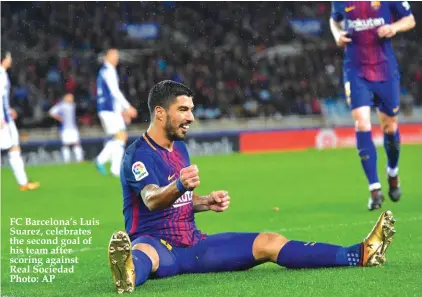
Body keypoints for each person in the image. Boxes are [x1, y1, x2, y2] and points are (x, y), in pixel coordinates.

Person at [107, 80, 396, 294]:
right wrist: (180, 183)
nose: (191, 117)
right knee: (144, 252)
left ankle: (360, 253)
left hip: (194, 244)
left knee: (269, 241)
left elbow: (179, 201)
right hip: (158, 244)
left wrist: (204, 201)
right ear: (160, 113)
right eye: (183, 110)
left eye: (191, 110)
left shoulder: (178, 148)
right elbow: (152, 200)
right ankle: (128, 273)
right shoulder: (138, 155)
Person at [329, 1, 416, 210]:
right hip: (355, 70)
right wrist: (337, 35)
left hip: (385, 70)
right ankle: (374, 189)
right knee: (362, 123)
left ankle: (392, 172)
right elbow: (334, 20)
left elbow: (410, 19)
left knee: (390, 127)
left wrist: (394, 27)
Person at [0, 50, 40, 191]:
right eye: (9, 57)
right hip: (3, 120)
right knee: (13, 147)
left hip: (6, 117)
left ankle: (23, 183)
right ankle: (23, 183)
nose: (11, 59)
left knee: (14, 147)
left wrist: (8, 110)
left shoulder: (3, 74)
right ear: (3, 59)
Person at [95, 48, 137, 177]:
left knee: (119, 137)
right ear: (106, 57)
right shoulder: (108, 71)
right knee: (120, 136)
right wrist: (127, 107)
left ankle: (114, 168)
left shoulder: (105, 71)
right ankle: (102, 161)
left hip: (109, 109)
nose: (116, 58)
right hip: (109, 109)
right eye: (114, 56)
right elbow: (114, 92)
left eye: (117, 56)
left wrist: (122, 112)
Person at [48, 93, 84, 163]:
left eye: (72, 97)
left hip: (73, 128)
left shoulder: (73, 105)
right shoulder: (61, 105)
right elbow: (51, 112)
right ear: (65, 98)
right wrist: (59, 118)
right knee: (66, 145)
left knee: (77, 143)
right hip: (65, 128)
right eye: (70, 97)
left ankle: (80, 160)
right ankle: (66, 161)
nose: (72, 99)